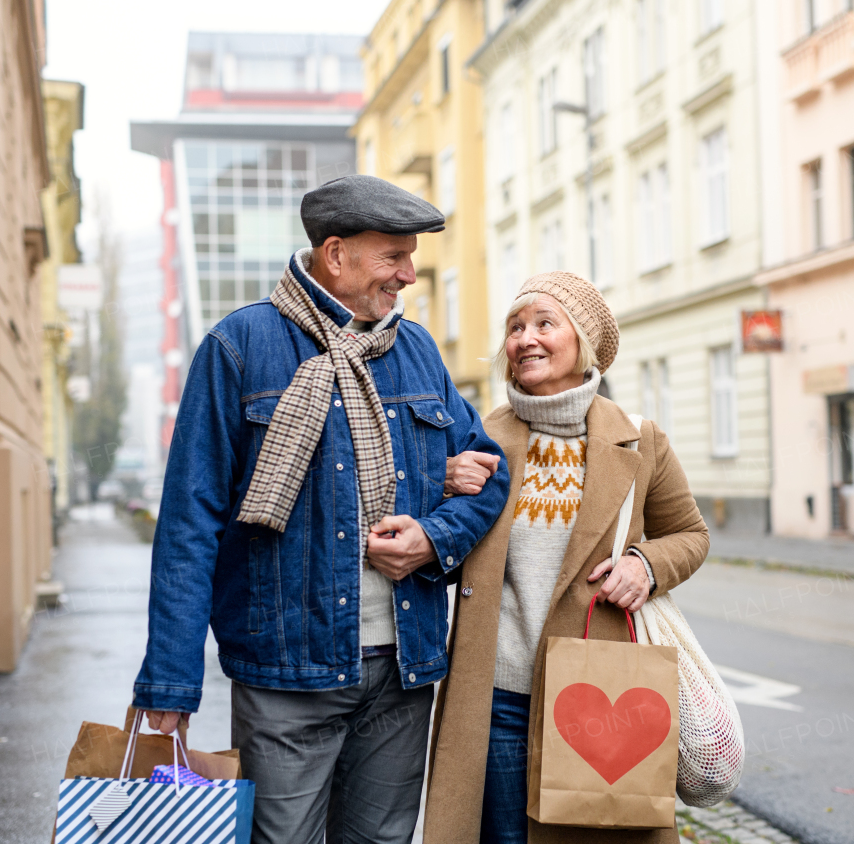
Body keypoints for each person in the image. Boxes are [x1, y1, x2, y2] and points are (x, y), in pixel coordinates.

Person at [132, 175, 510, 844]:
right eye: (394, 255)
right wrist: (170, 679)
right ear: (336, 255)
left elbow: (488, 470)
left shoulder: (415, 350)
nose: (408, 274)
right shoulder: (239, 347)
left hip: (402, 667)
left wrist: (432, 535)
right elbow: (191, 522)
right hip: (284, 669)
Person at [424, 271, 710, 844]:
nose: (525, 338)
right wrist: (444, 487)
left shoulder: (640, 439)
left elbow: (689, 535)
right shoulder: (477, 439)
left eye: (544, 324)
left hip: (603, 692)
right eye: (515, 327)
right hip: (498, 694)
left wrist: (645, 567)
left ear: (582, 343)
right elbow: (439, 554)